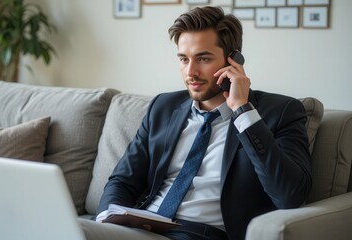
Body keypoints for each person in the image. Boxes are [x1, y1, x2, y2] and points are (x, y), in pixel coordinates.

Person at [80, 6, 312, 240]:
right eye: (183, 59)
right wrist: (107, 222)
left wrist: (242, 111)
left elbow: (289, 195)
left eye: (203, 58)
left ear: (233, 60)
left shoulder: (280, 112)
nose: (190, 72)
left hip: (203, 234)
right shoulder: (163, 107)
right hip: (143, 227)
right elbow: (123, 180)